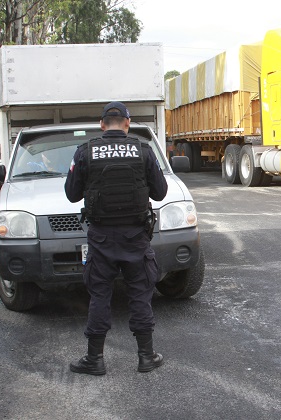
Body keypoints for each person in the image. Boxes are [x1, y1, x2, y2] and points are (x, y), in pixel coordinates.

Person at [64, 101, 168, 376]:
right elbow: (160, 193)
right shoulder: (143, 151)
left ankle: (94, 360)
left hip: (101, 239)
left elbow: (72, 194)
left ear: (101, 124)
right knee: (140, 295)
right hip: (136, 237)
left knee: (100, 296)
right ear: (127, 123)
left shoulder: (85, 152)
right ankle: (146, 357)